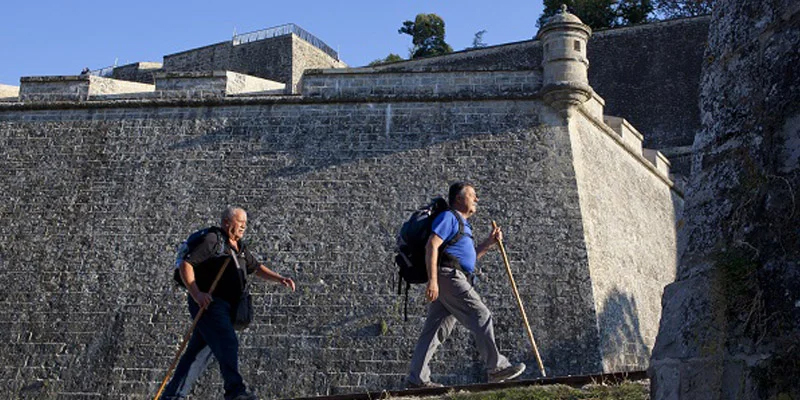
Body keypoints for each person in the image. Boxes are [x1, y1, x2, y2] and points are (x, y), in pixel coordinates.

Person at [160, 206, 296, 400]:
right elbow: (186, 264)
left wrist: (279, 278)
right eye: (240, 223)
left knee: (198, 353)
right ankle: (235, 392)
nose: (243, 227)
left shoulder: (238, 246)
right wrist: (197, 294)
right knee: (227, 340)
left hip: (225, 306)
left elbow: (255, 267)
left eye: (245, 224)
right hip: (210, 303)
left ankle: (172, 396)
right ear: (226, 222)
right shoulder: (213, 240)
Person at [406, 182, 526, 388]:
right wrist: (433, 280)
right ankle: (496, 367)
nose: (476, 199)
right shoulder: (449, 217)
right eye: (473, 195)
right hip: (448, 277)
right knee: (481, 314)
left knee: (435, 330)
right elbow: (432, 245)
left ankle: (417, 378)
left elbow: (466, 260)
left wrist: (488, 243)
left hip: (454, 275)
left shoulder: (463, 225)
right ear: (460, 199)